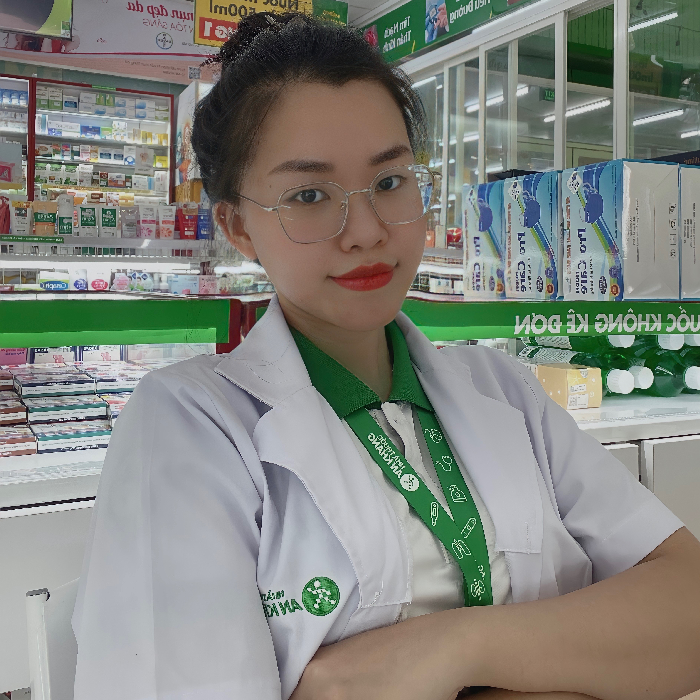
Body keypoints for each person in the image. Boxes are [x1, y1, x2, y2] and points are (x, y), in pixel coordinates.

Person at [71, 12, 700, 700]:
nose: (366, 231)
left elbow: (686, 605)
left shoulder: (504, 388)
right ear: (238, 225)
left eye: (391, 181)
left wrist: (454, 648)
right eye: (310, 195)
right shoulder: (191, 427)